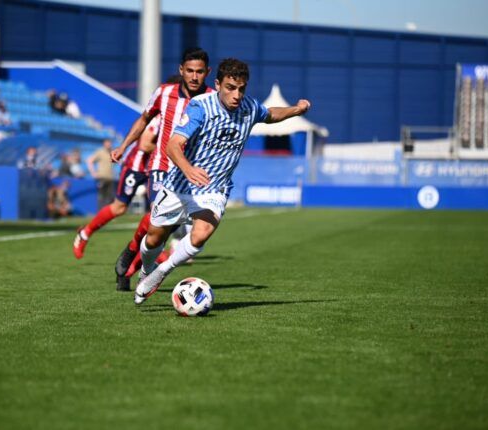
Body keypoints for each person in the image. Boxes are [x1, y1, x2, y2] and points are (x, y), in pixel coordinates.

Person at [133, 58, 311, 304]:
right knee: (153, 239)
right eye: (230, 87)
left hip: (214, 188)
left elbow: (270, 114)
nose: (236, 95)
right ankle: (146, 270)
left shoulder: (249, 107)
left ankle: (163, 271)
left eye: (241, 88)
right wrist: (188, 169)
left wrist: (296, 110)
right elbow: (173, 145)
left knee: (200, 235)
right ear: (217, 84)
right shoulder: (200, 107)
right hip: (179, 184)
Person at [105, 48, 213, 291]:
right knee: (157, 220)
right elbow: (144, 119)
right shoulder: (164, 93)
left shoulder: (213, 99)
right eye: (190, 71)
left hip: (192, 172)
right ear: (181, 71)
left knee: (165, 228)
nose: (194, 77)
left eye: (199, 72)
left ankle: (129, 261)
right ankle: (133, 256)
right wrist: (123, 146)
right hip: (162, 167)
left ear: (207, 72)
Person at [72, 117, 158, 261]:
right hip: (135, 167)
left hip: (157, 168)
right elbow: (144, 145)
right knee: (119, 207)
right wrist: (170, 146)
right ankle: (85, 233)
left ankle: (152, 251)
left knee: (160, 209)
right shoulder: (159, 118)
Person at [87, 139, 115, 208]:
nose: (109, 144)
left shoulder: (112, 152)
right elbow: (89, 161)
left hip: (110, 177)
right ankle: (100, 213)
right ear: (104, 144)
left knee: (110, 196)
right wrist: (93, 173)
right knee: (102, 196)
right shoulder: (100, 152)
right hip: (102, 177)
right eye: (107, 143)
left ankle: (108, 214)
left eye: (110, 143)